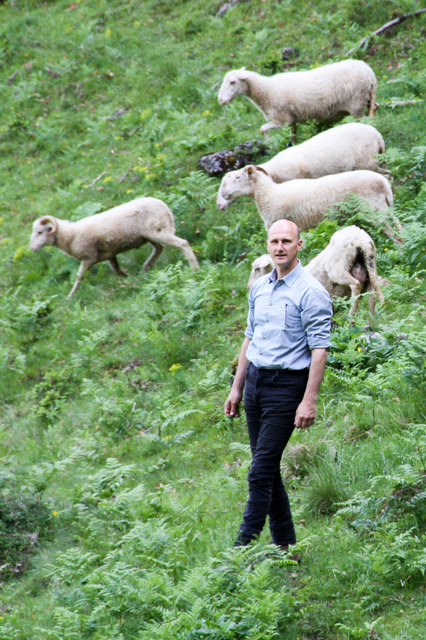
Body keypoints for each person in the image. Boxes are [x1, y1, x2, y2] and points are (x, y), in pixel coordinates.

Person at [224, 219, 333, 550]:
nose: (280, 247)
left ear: (299, 245)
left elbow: (319, 349)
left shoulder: (311, 292)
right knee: (267, 470)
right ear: (268, 245)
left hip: (286, 389)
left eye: (287, 241)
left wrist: (309, 400)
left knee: (259, 473)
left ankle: (241, 552)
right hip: (256, 384)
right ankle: (286, 547)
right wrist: (236, 387)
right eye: (274, 241)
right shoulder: (260, 288)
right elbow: (249, 339)